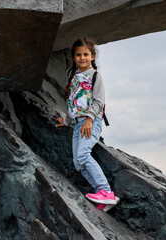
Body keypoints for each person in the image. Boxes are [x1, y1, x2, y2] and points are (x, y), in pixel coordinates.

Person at [55, 38, 119, 212]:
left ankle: (106, 192)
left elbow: (99, 101)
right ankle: (102, 195)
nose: (82, 57)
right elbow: (73, 103)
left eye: (85, 54)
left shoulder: (95, 76)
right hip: (77, 124)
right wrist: (66, 121)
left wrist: (90, 119)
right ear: (74, 57)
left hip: (90, 122)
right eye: (78, 55)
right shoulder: (73, 76)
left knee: (83, 154)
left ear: (92, 56)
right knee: (78, 162)